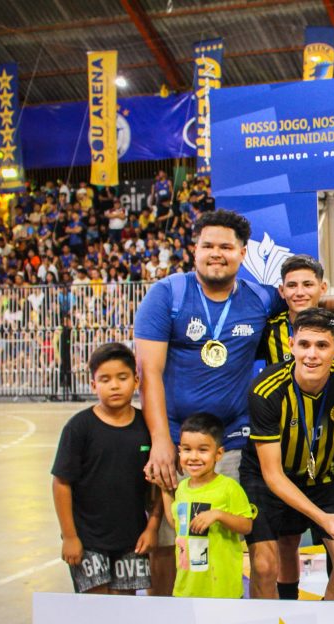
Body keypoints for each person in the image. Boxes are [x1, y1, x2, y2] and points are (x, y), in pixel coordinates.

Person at [133, 208, 283, 598]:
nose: (217, 253)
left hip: (231, 443)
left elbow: (306, 299)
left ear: (242, 253)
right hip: (176, 443)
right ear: (195, 249)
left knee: (228, 539)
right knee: (170, 543)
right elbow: (149, 373)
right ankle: (169, 620)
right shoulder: (167, 295)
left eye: (226, 247)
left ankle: (231, 620)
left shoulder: (261, 298)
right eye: (208, 246)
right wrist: (161, 440)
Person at [244, 308, 334, 602]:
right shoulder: (266, 390)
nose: (312, 355)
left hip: (321, 477)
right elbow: (273, 475)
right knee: (264, 566)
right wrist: (321, 518)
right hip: (267, 480)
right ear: (292, 345)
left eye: (322, 345)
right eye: (304, 344)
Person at [51, 343, 158, 595]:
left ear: (136, 380)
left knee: (124, 604)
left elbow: (157, 485)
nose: (114, 385)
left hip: (132, 538)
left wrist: (152, 528)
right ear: (93, 385)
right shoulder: (79, 428)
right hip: (88, 539)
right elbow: (61, 483)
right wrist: (69, 536)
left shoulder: (147, 426)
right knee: (96, 606)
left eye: (122, 377)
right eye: (105, 379)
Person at [163, 413, 255, 599]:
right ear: (179, 451)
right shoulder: (182, 489)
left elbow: (246, 526)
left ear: (218, 454)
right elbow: (177, 524)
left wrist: (218, 515)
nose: (193, 457)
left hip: (222, 591)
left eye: (202, 450)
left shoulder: (228, 488)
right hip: (186, 589)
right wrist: (165, 492)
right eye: (187, 449)